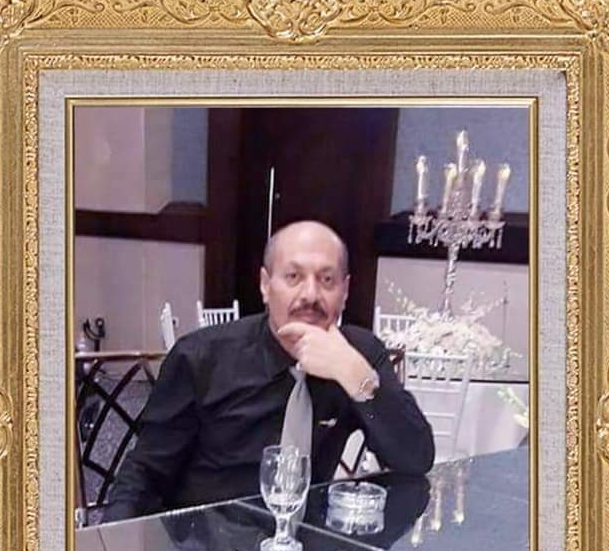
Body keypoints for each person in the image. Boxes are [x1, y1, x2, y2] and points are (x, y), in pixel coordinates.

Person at [104, 220, 434, 522]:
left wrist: (357, 378)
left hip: (307, 549)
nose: (310, 295)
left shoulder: (358, 354)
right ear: (265, 285)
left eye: (327, 280)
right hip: (210, 545)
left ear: (345, 291)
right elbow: (146, 472)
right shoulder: (202, 357)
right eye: (293, 277)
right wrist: (114, 550)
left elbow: (415, 459)